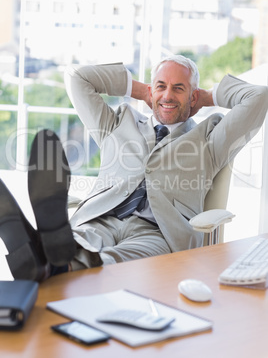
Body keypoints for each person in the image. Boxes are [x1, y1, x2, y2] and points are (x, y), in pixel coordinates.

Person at [0, 55, 267, 282]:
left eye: (179, 88)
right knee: (81, 240)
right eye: (161, 86)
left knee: (118, 260)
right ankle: (52, 257)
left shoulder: (211, 138)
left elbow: (259, 96)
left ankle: (41, 255)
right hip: (101, 217)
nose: (167, 95)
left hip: (158, 231)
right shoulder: (116, 122)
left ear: (193, 95)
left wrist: (207, 97)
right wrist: (141, 91)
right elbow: (77, 77)